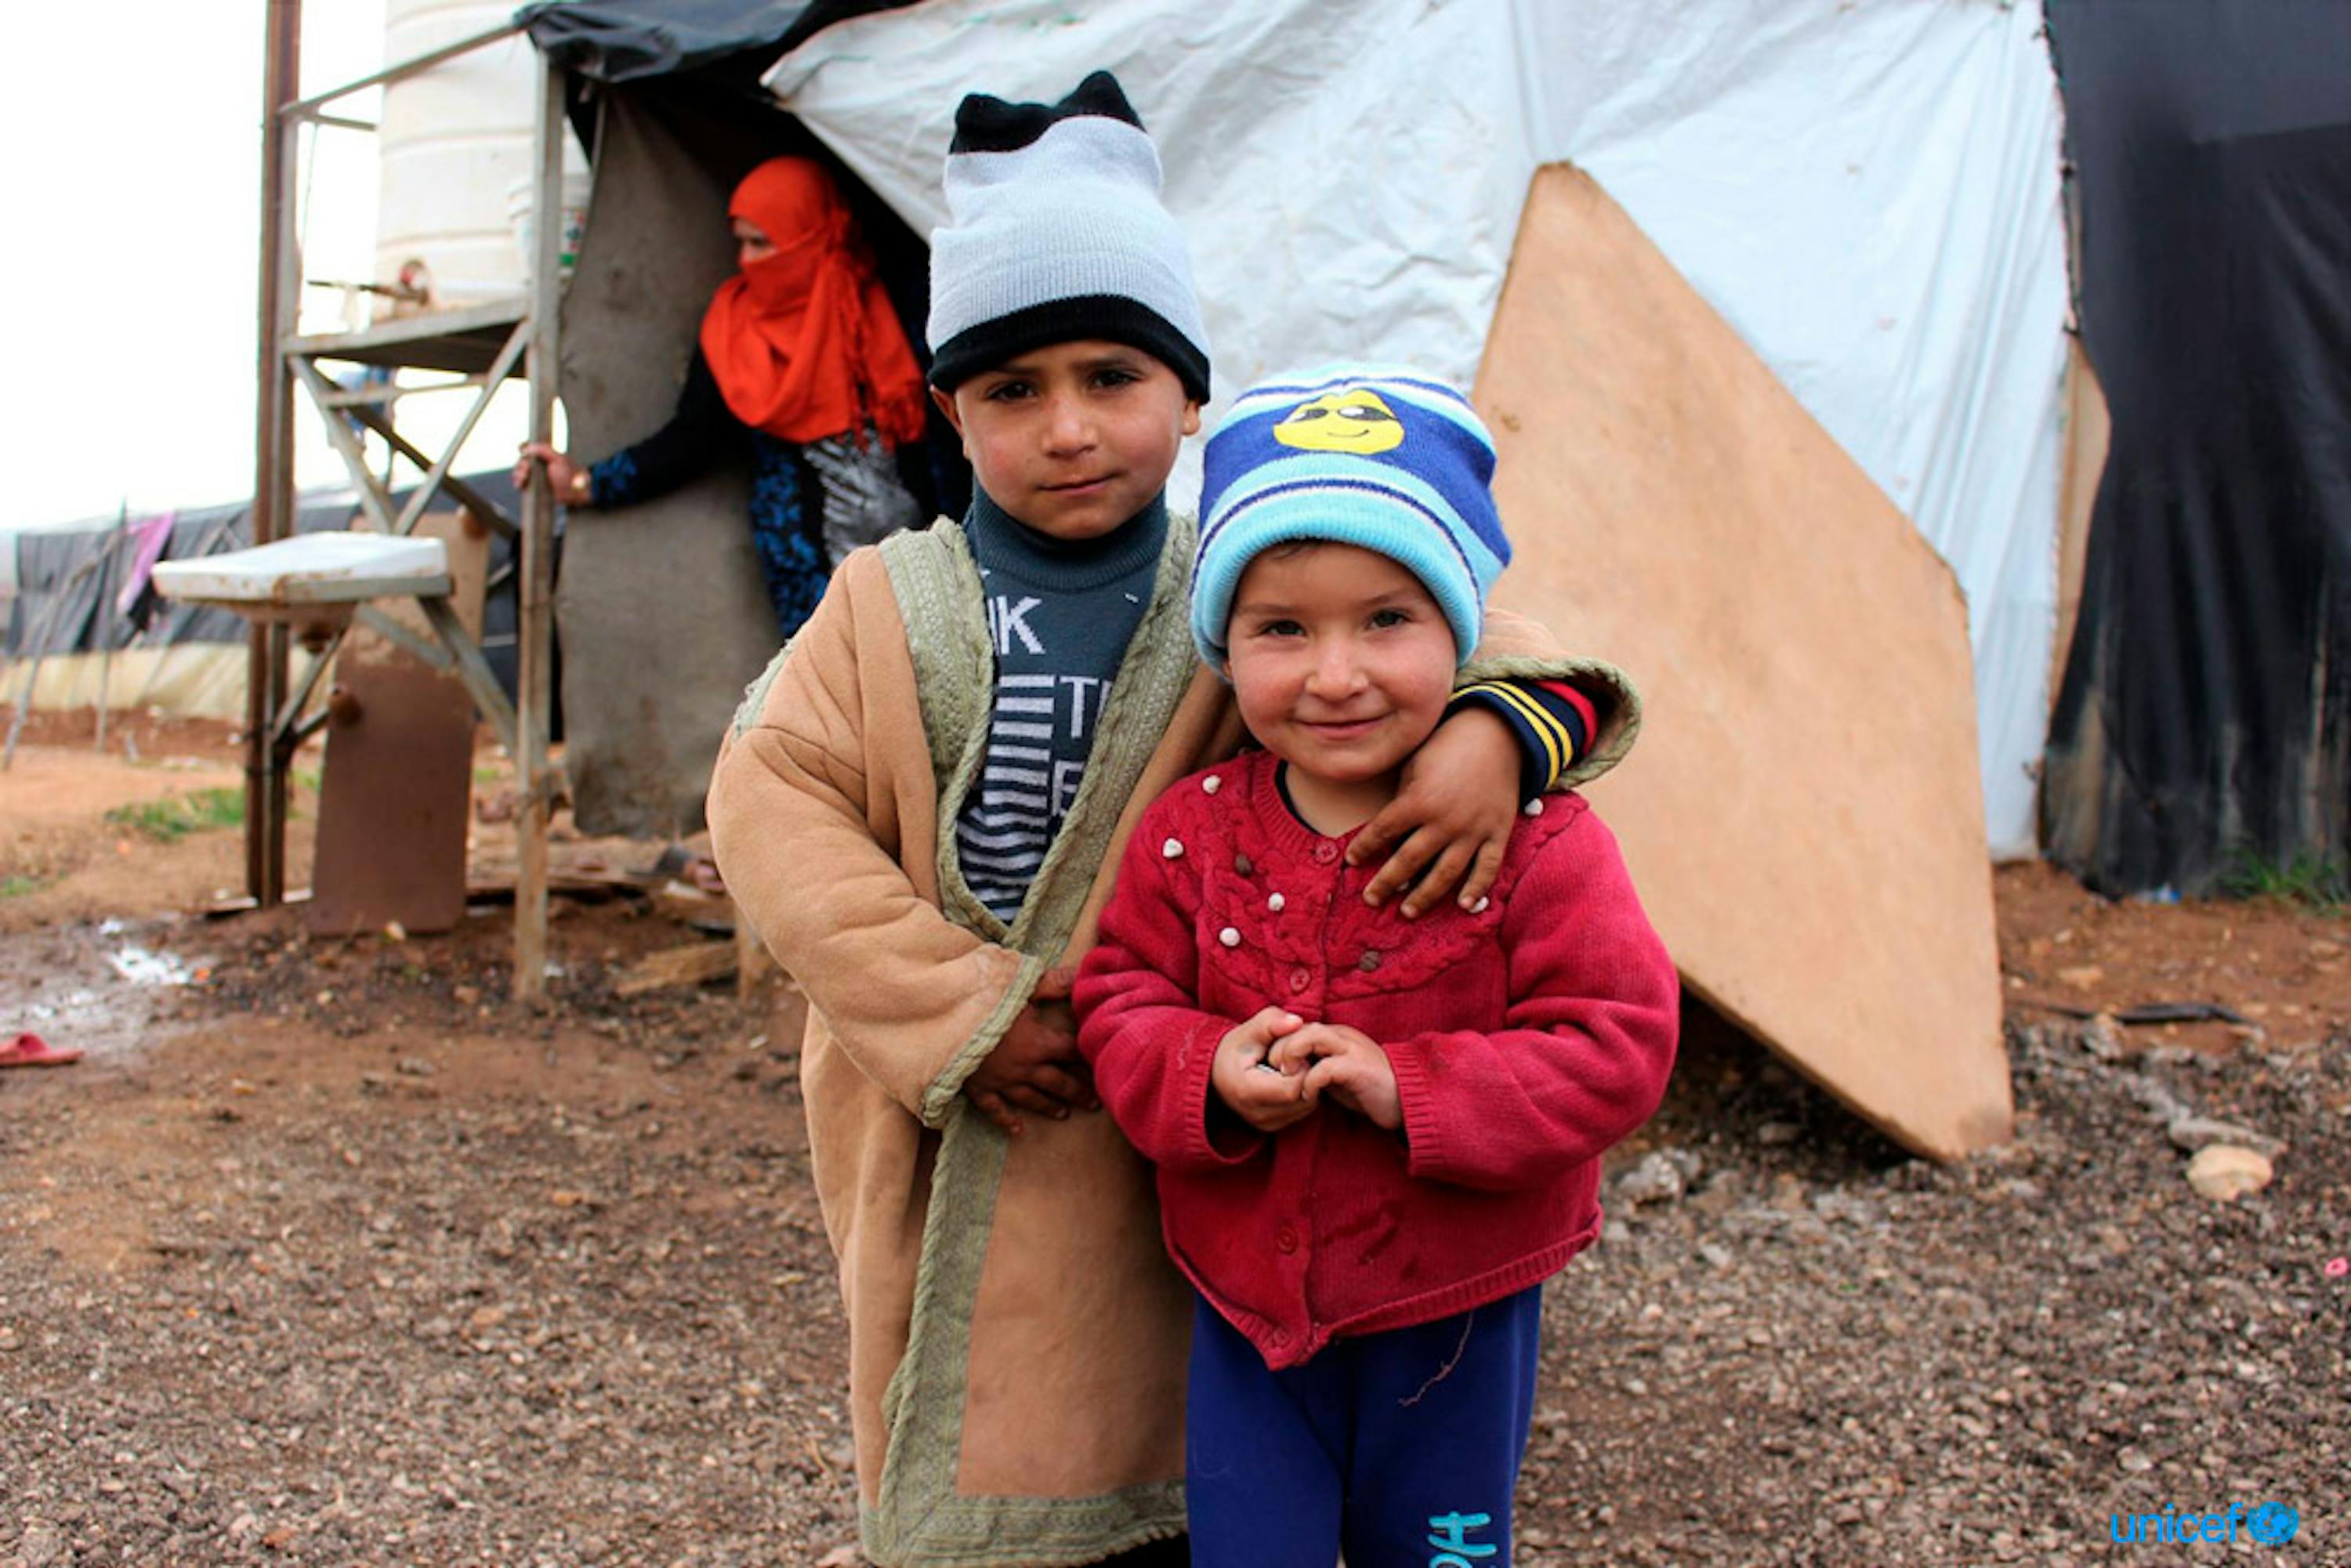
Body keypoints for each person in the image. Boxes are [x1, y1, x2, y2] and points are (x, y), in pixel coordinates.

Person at [706, 75, 1636, 1567]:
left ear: (1189, 395)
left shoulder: (1254, 587)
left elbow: (1497, 645)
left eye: (1112, 378)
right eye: (1012, 391)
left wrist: (1494, 731)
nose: (1069, 428)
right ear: (949, 411)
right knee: (969, 1432)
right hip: (967, 1083)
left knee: (1169, 1409)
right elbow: (769, 802)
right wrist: (961, 1008)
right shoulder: (889, 604)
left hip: (1182, 1076)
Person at [1074, 366, 1681, 1568]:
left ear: (1459, 628)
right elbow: (1119, 996)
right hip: (1246, 1304)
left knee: (1441, 1550)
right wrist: (1204, 1070)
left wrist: (1418, 1088)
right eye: (1282, 628)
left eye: (1386, 620)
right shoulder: (1192, 830)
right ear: (1224, 644)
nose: (1335, 673)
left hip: (1455, 1308)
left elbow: (1618, 1041)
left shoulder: (1543, 842)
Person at [513, 155, 931, 639]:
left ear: (810, 235)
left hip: (920, 563)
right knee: (837, 703)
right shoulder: (736, 328)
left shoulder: (889, 307)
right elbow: (689, 440)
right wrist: (586, 483)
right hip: (812, 575)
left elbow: (950, 426)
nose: (748, 260)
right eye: (741, 242)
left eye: (762, 242)